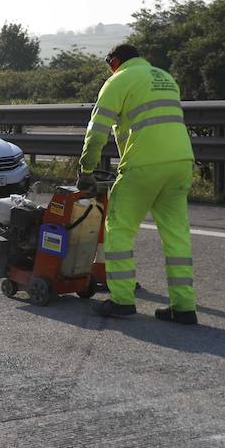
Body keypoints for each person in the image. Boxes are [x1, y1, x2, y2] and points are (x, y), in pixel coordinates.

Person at [77, 44, 197, 324]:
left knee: (118, 229)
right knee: (176, 235)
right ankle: (184, 307)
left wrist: (86, 168)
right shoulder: (165, 77)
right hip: (181, 162)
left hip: (144, 165)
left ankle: (121, 300)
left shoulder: (118, 80)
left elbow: (97, 131)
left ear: (115, 62)